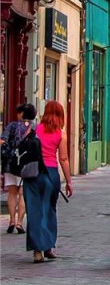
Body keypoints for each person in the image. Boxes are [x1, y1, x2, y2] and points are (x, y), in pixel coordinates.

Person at [22, 101, 73, 263]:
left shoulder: (34, 129)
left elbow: (24, 148)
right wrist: (69, 182)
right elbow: (63, 159)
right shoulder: (61, 133)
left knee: (34, 211)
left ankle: (38, 251)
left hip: (32, 173)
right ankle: (48, 246)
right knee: (49, 210)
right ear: (60, 114)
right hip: (50, 174)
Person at [1, 103, 36, 234]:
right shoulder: (34, 128)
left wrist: (10, 151)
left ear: (21, 114)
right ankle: (20, 223)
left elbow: (2, 140)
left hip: (11, 163)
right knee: (22, 193)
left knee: (12, 192)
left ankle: (11, 221)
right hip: (27, 165)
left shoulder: (12, 126)